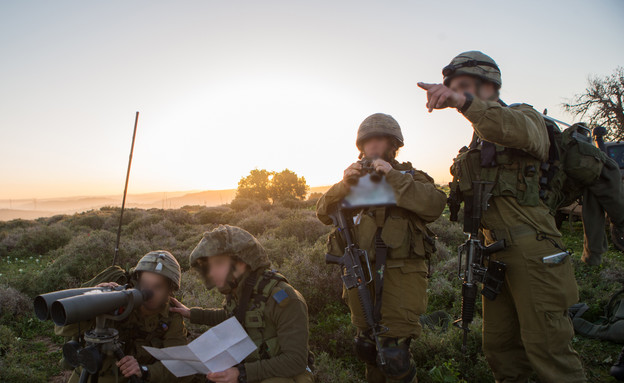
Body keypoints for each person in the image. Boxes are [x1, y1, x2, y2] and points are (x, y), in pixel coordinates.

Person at [417, 50, 587, 382]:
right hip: (493, 252)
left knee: (549, 350)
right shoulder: (478, 140)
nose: (458, 94)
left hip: (534, 250)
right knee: (500, 348)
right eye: (455, 88)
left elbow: (510, 128)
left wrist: (462, 102)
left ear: (488, 84)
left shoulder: (523, 117)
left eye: (465, 86)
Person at [315, 113, 446, 383]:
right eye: (368, 140)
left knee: (394, 357)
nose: (373, 145)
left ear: (393, 144)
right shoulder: (353, 183)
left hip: (401, 278)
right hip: (362, 277)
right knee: (367, 349)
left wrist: (393, 177)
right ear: (361, 146)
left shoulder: (411, 177)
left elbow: (434, 205)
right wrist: (343, 186)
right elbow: (323, 213)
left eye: (380, 139)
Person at [169, 225, 314, 383]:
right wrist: (192, 313)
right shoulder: (240, 291)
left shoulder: (284, 299)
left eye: (218, 264)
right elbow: (233, 317)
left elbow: (295, 361)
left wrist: (241, 373)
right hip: (254, 366)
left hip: (286, 373)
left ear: (243, 262)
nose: (212, 272)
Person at [56, 250, 191, 383]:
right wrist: (92, 301)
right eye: (145, 284)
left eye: (157, 287)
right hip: (92, 375)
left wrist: (144, 370)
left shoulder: (171, 317)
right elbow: (61, 329)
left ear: (169, 290)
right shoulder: (119, 300)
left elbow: (178, 363)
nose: (149, 292)